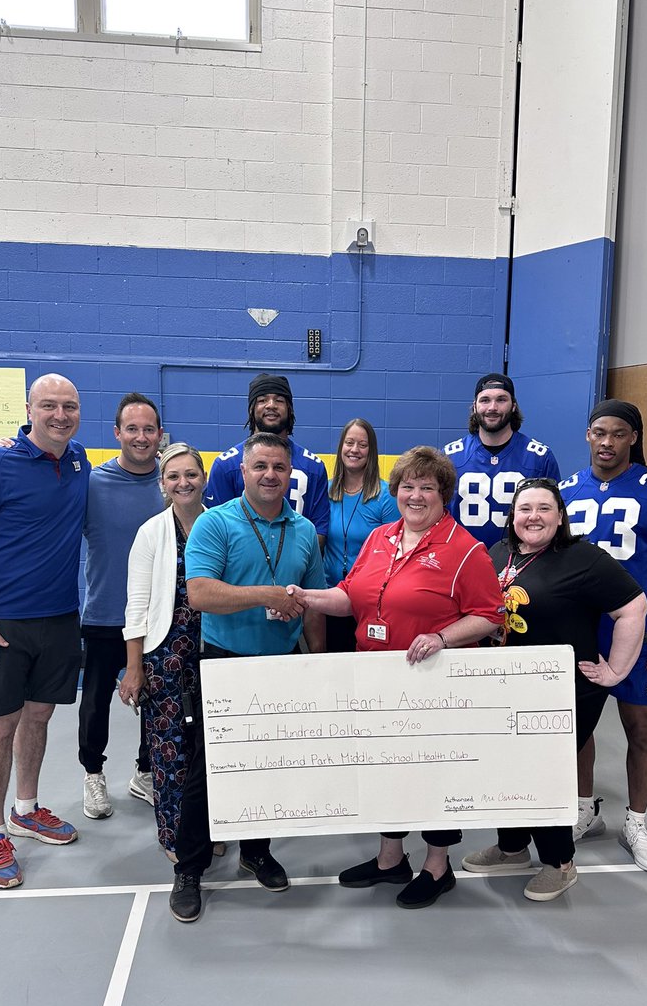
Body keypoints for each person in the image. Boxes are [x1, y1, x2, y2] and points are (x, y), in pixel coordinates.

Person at [290, 446, 504, 910]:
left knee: (432, 774)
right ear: (396, 491)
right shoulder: (380, 538)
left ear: (443, 494)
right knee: (385, 771)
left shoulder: (465, 550)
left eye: (427, 487)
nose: (416, 495)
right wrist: (304, 597)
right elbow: (349, 597)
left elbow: (490, 614)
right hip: (377, 680)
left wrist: (443, 638)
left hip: (434, 686)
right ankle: (391, 859)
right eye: (408, 486)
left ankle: (437, 864)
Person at [168, 432, 327, 923]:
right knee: (208, 770)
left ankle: (255, 851)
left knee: (268, 766)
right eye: (260, 466)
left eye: (278, 467)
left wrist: (317, 660)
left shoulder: (302, 530)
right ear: (243, 471)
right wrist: (267, 596)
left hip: (281, 663)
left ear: (289, 473)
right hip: (225, 661)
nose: (270, 475)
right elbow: (200, 594)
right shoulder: (215, 524)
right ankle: (190, 869)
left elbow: (316, 602)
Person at [462, 478, 647, 899]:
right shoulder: (499, 553)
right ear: (513, 515)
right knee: (507, 766)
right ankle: (512, 848)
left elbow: (634, 607)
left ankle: (560, 863)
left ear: (560, 516)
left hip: (563, 690)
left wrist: (616, 670)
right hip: (507, 685)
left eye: (544, 508)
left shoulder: (583, 558)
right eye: (525, 508)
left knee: (542, 773)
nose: (534, 516)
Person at [0, 374, 89, 889]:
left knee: (39, 716)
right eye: (49, 405)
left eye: (69, 406)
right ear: (29, 409)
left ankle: (25, 810)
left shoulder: (78, 462)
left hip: (59, 619)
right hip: (3, 622)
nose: (60, 415)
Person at [558, 399, 647, 870]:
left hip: (638, 631)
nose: (606, 442)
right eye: (599, 432)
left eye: (618, 433)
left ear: (633, 438)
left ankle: (636, 822)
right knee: (578, 728)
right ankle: (583, 809)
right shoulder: (567, 490)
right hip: (580, 628)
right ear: (587, 435)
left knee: (640, 727)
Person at [118, 444, 209, 861]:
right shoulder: (150, 533)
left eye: (191, 474)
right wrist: (134, 668)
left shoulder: (220, 524)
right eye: (174, 476)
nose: (183, 482)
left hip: (212, 653)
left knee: (206, 752)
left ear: (203, 478)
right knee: (169, 750)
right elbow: (136, 607)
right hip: (165, 657)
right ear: (163, 485)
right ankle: (175, 838)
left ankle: (209, 831)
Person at [80, 393, 164, 820]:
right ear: (117, 433)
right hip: (104, 614)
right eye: (132, 428)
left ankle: (145, 773)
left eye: (149, 429)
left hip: (156, 620)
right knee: (96, 702)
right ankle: (93, 774)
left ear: (160, 435)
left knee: (156, 700)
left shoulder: (171, 484)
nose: (141, 436)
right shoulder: (92, 483)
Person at [205, 372, 330, 542]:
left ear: (290, 409)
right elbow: (216, 530)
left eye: (279, 400)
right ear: (251, 409)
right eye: (262, 400)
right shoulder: (226, 466)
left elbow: (320, 530)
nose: (271, 405)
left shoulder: (313, 467)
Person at [443, 373, 560, 550]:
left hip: (521, 560)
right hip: (461, 558)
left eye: (501, 400)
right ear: (474, 406)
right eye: (485, 400)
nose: (492, 407)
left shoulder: (540, 457)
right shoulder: (450, 456)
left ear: (513, 406)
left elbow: (555, 515)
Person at [323, 418, 398, 652]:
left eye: (362, 445)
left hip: (369, 600)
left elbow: (395, 553)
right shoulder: (326, 490)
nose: (355, 450)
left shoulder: (386, 496)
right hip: (332, 594)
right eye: (349, 442)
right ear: (341, 448)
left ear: (371, 451)